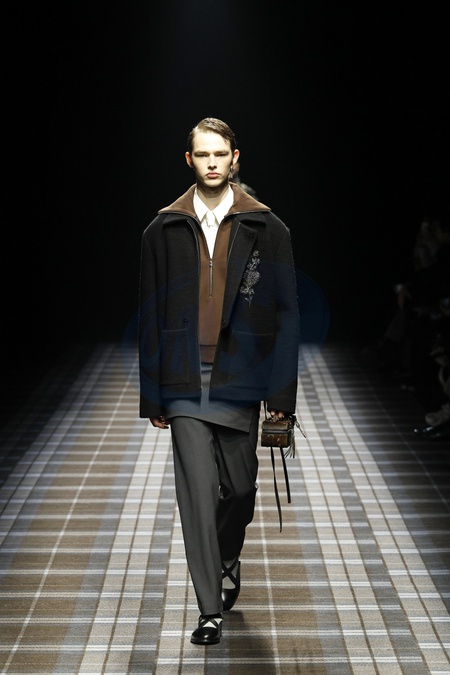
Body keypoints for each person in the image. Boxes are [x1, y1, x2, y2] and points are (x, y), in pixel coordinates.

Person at [138, 117, 300, 645]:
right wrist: (153, 392)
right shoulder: (162, 230)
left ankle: (228, 553)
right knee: (197, 496)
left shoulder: (268, 229)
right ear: (190, 160)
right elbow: (150, 311)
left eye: (220, 154)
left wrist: (281, 396)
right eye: (202, 154)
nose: (212, 162)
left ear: (235, 158)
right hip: (183, 378)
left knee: (241, 487)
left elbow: (287, 315)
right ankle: (209, 609)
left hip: (241, 378)